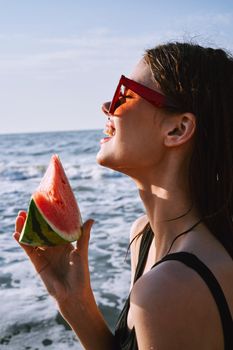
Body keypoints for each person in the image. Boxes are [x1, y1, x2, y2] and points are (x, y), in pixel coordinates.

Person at [14, 41, 233, 350]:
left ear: (178, 129)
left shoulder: (171, 289)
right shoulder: (145, 236)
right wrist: (76, 304)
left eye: (124, 94)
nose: (107, 106)